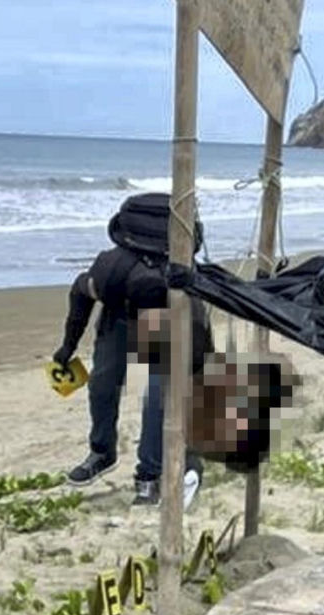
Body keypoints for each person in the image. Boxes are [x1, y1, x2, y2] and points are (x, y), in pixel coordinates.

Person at [52, 196, 213, 507]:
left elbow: (198, 345)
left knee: (157, 395)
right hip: (120, 315)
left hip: (168, 321)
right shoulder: (108, 278)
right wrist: (67, 346)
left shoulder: (179, 290)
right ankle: (102, 452)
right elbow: (79, 295)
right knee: (102, 382)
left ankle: (149, 475)